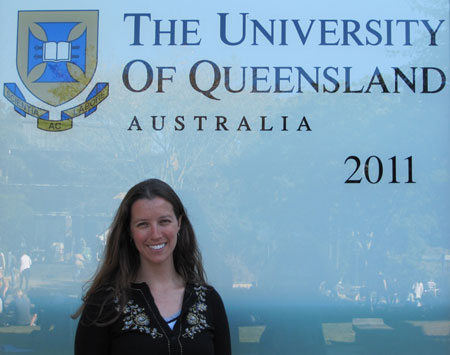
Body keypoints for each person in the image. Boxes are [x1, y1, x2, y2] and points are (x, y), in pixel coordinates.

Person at [73, 179, 231, 355]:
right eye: (143, 224)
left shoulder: (209, 301)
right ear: (130, 231)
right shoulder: (104, 304)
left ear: (178, 223)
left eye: (164, 221)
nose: (155, 234)